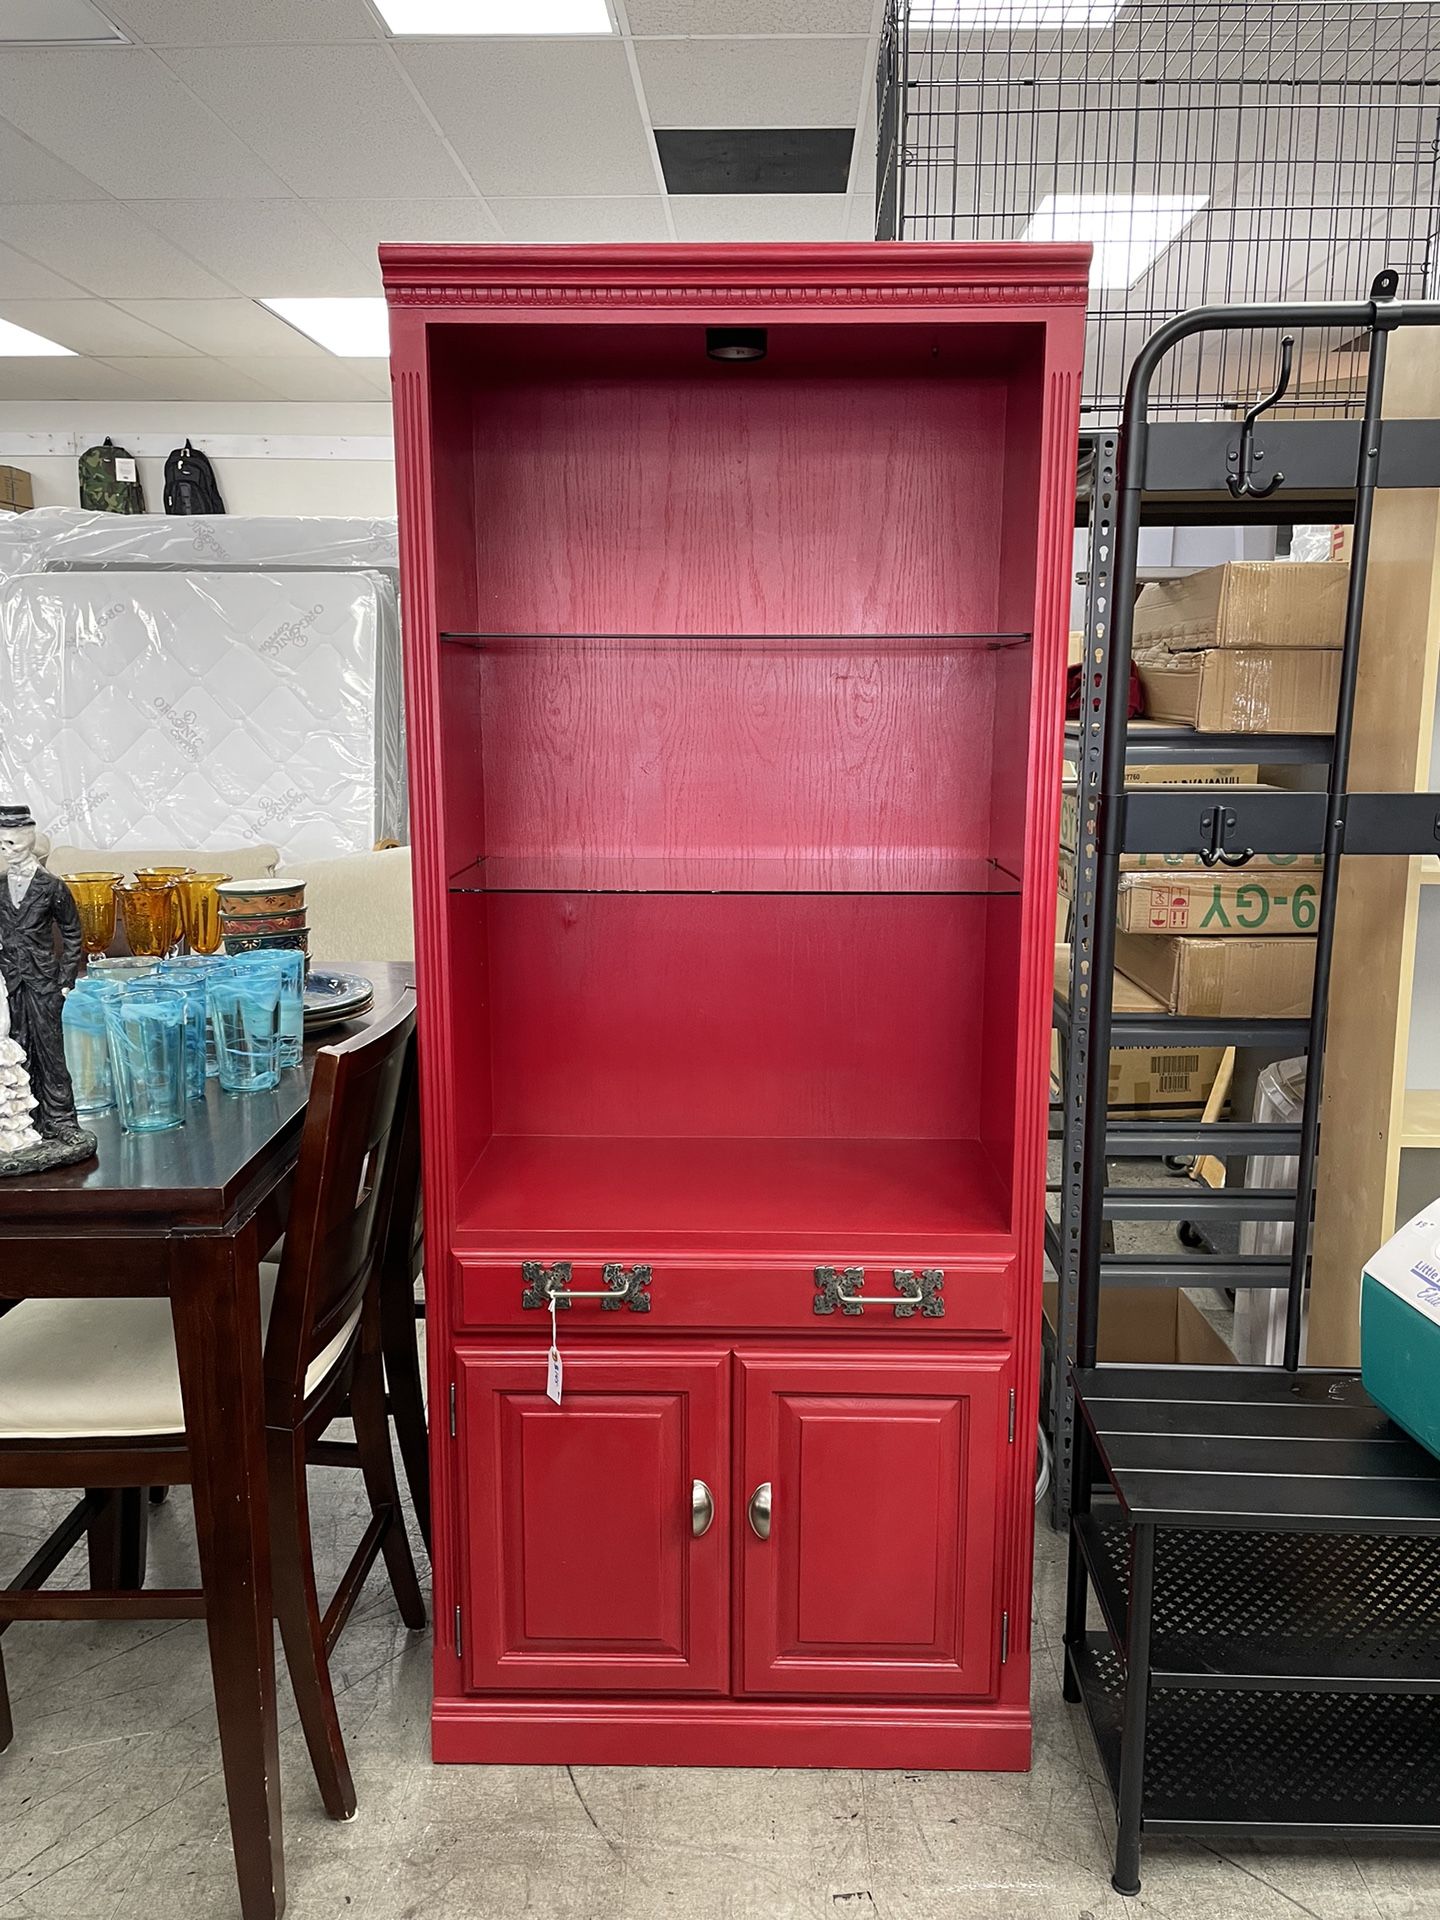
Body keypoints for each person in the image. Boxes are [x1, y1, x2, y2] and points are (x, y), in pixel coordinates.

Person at [0, 803, 85, 1141]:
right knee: (16, 1048)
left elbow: (73, 933)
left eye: (12, 845)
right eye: (2, 844)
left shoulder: (51, 886)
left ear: (27, 843)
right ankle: (26, 1122)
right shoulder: (0, 885)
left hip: (44, 981)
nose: (6, 852)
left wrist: (65, 981)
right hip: (11, 982)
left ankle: (62, 1121)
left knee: (51, 1052)